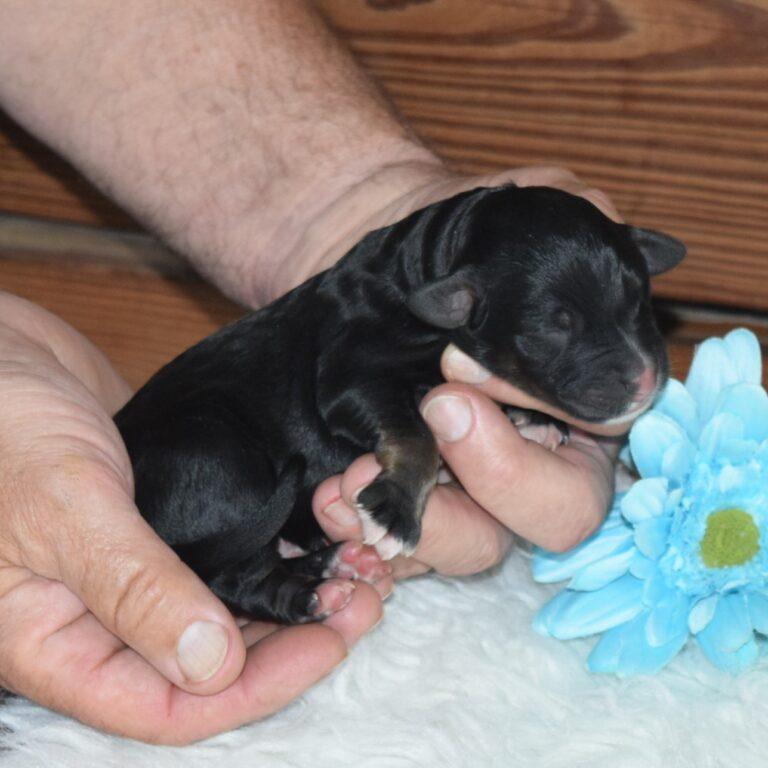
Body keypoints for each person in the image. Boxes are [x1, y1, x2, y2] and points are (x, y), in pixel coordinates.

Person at [0, 0, 626, 744]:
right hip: (209, 459)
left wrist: (363, 202)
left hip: (240, 451)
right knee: (241, 485)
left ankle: (253, 574)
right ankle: (243, 575)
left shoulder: (402, 310)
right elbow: (351, 397)